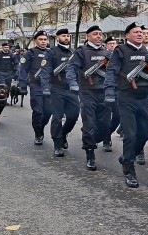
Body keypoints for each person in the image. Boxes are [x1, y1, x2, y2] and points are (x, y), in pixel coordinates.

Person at [104, 22, 148, 188]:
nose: (140, 34)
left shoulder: (147, 52)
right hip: (127, 98)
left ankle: (128, 156)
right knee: (131, 134)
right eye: (135, 32)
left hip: (145, 98)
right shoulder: (121, 51)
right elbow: (111, 71)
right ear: (127, 35)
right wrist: (110, 92)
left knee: (145, 132)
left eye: (141, 32)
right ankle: (129, 169)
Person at [66, 25, 112, 170]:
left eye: (100, 34)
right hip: (87, 92)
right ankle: (90, 154)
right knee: (89, 123)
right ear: (88, 37)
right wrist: (73, 84)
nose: (99, 36)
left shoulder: (107, 52)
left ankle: (92, 139)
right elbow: (71, 68)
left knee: (105, 125)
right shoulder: (81, 52)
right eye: (95, 34)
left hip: (104, 92)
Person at [18, 31, 55, 144]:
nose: (43, 41)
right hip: (36, 85)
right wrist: (23, 85)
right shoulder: (30, 53)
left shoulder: (52, 52)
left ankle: (41, 127)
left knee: (48, 111)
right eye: (41, 39)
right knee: (38, 111)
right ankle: (38, 134)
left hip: (49, 86)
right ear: (35, 41)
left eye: (45, 39)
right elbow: (23, 70)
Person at [49, 28, 80, 157]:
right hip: (57, 88)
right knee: (57, 117)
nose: (66, 38)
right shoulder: (52, 52)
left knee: (73, 116)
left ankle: (62, 134)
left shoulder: (74, 52)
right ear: (57, 38)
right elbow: (46, 70)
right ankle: (57, 143)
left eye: (68, 36)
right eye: (63, 36)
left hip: (71, 89)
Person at [103, 36, 119, 152]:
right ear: (106, 45)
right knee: (106, 116)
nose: (112, 45)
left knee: (118, 116)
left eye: (114, 43)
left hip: (118, 89)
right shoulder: (102, 55)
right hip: (104, 89)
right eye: (110, 43)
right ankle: (106, 138)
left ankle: (108, 132)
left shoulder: (120, 55)